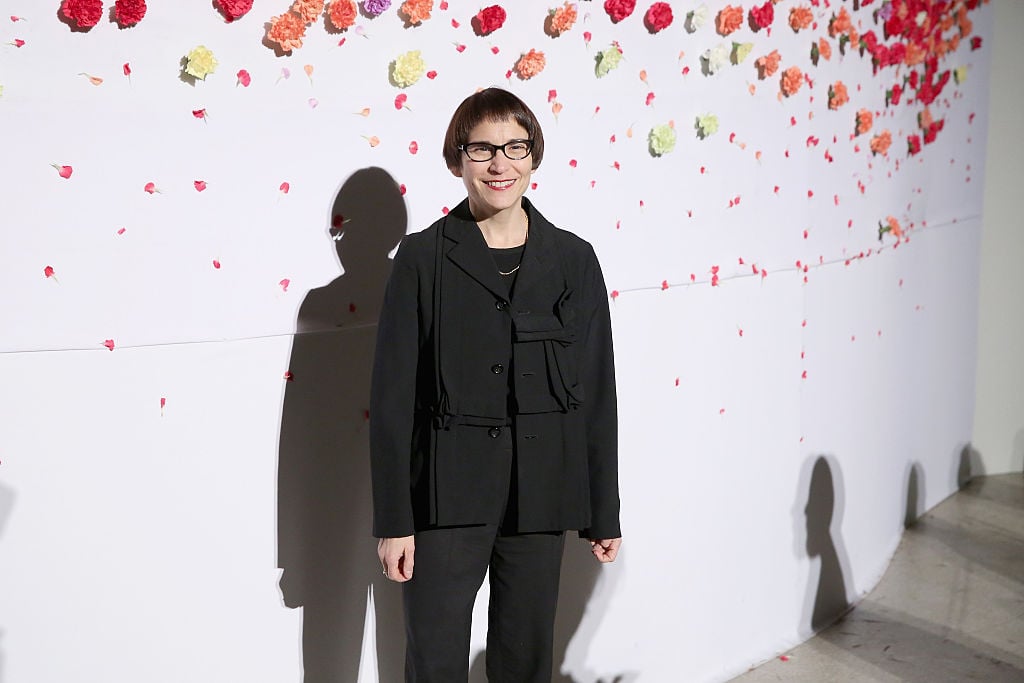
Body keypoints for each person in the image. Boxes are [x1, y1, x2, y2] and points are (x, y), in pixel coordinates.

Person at [370, 87, 621, 683]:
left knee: (525, 660)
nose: (499, 164)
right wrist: (394, 520)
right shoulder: (421, 259)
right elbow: (390, 401)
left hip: (540, 495)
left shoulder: (574, 260)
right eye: (481, 149)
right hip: (444, 495)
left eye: (515, 146)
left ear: (534, 156)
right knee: (433, 659)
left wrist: (602, 510)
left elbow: (596, 391)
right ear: (457, 161)